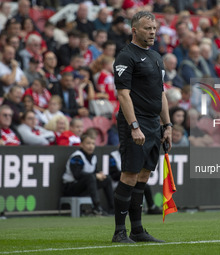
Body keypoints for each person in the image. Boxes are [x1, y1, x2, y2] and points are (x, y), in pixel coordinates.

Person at [111, 11, 172, 243]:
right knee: (129, 175)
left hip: (153, 124)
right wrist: (134, 126)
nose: (153, 32)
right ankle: (119, 232)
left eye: (154, 28)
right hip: (134, 123)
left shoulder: (156, 57)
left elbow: (161, 94)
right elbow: (123, 95)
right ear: (134, 30)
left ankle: (137, 230)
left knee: (144, 175)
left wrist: (167, 125)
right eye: (148, 28)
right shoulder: (126, 57)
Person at [62, 133, 115, 216]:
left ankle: (113, 209)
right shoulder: (77, 157)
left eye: (93, 143)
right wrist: (95, 175)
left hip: (85, 187)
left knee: (106, 178)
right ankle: (97, 208)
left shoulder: (93, 157)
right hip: (71, 187)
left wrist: (99, 174)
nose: (91, 146)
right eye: (88, 143)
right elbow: (77, 175)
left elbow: (93, 172)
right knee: (90, 177)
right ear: (81, 144)